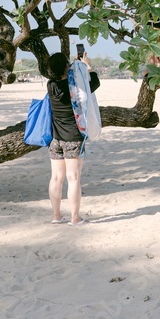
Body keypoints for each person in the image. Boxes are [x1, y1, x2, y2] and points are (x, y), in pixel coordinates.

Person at [45, 50, 100, 226]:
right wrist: (86, 66)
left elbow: (65, 75)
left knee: (56, 178)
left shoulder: (50, 85)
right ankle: (75, 218)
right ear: (65, 68)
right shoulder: (74, 87)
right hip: (73, 139)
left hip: (56, 139)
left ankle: (56, 216)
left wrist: (73, 65)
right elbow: (94, 83)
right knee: (73, 178)